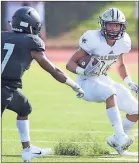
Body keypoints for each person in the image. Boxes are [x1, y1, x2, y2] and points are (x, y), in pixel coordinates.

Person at [1, 6, 84, 162]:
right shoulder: (32, 42)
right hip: (5, 88)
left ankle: (27, 150)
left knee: (24, 108)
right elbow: (53, 69)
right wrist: (74, 85)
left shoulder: (2, 36)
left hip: (9, 88)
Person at [66, 8, 138, 154]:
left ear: (122, 27)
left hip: (104, 79)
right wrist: (83, 71)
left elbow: (121, 65)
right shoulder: (92, 38)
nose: (113, 28)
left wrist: (130, 83)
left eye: (116, 25)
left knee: (135, 109)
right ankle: (121, 136)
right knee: (110, 92)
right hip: (85, 82)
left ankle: (116, 142)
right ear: (103, 24)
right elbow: (70, 63)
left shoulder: (123, 42)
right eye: (110, 24)